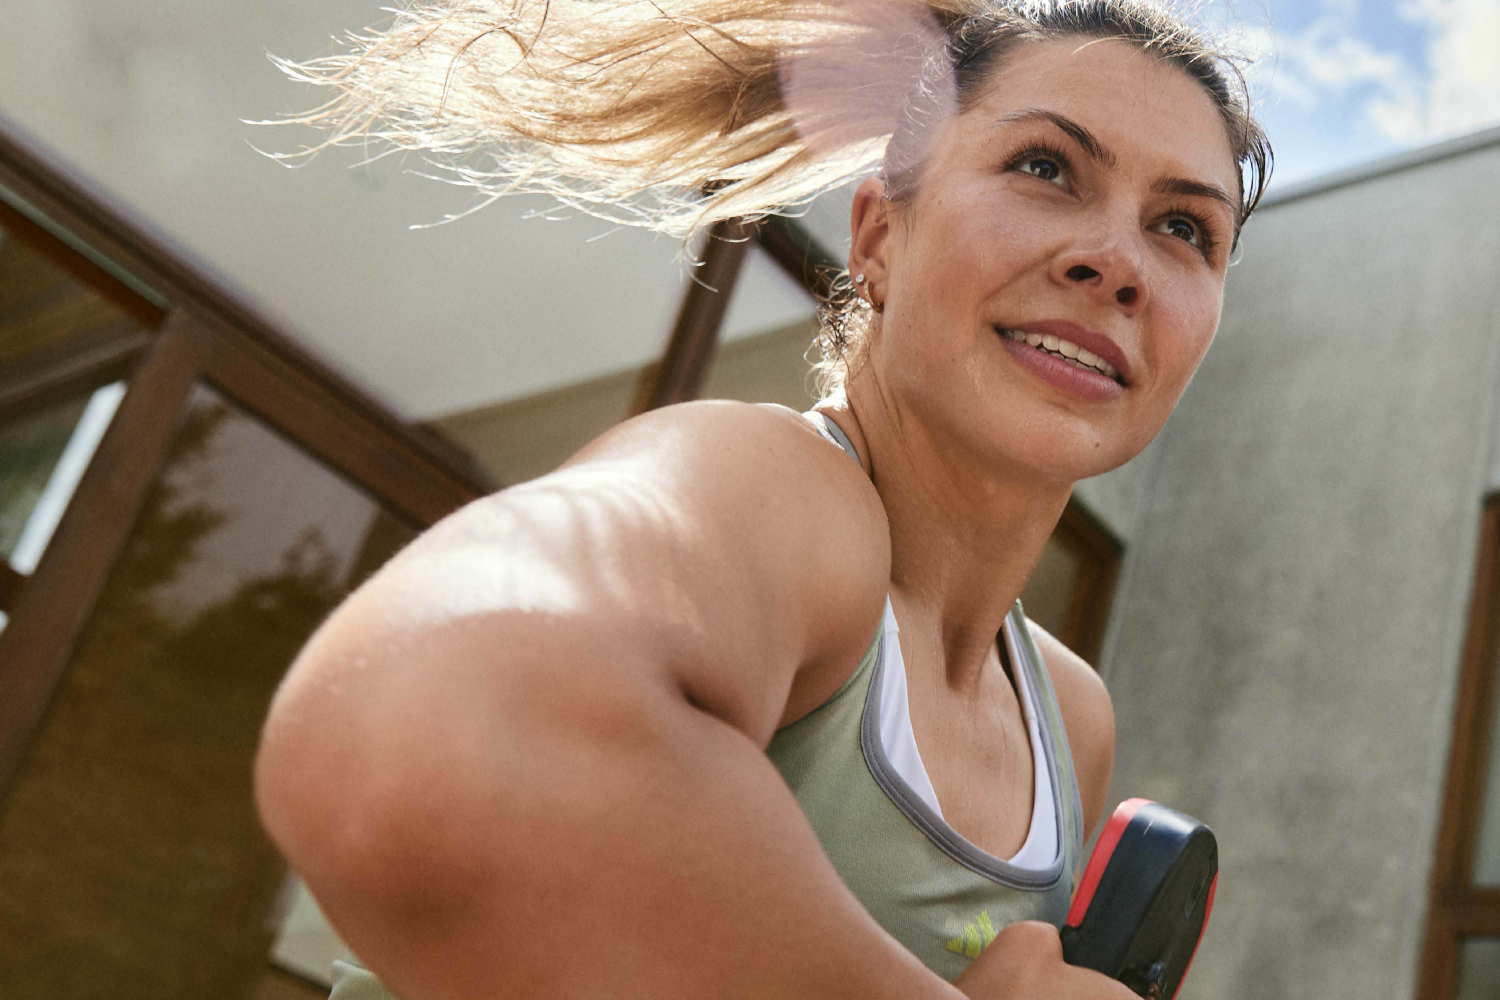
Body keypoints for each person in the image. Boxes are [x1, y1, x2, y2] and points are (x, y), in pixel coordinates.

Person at [254, 1, 1272, 997]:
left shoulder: (1071, 719)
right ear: (877, 236)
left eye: (1185, 228)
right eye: (1044, 168)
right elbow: (416, 732)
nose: (1119, 262)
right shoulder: (765, 489)